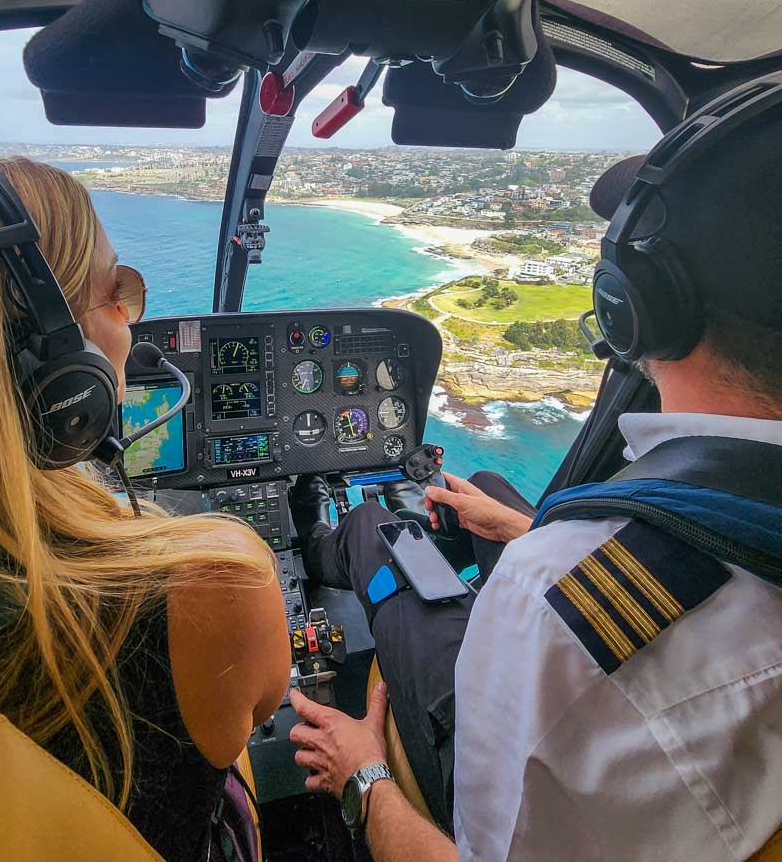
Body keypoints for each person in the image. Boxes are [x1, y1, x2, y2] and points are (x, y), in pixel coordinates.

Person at [288, 121, 782, 862]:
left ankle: (334, 544)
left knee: (373, 528)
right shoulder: (572, 559)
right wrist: (525, 534)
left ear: (633, 311)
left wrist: (363, 773)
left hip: (483, 776)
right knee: (484, 488)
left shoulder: (547, 585)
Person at [0, 150, 290, 862]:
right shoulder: (217, 584)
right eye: (114, 292)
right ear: (57, 378)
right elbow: (239, 730)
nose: (129, 320)